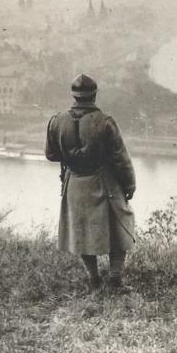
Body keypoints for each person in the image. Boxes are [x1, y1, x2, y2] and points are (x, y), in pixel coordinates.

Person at [45, 74, 137, 293]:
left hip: (74, 183)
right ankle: (115, 281)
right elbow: (121, 159)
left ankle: (94, 280)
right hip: (104, 183)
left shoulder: (57, 120)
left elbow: (51, 154)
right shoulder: (105, 122)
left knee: (82, 231)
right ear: (94, 95)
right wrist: (129, 185)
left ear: (74, 96)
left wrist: (73, 157)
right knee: (119, 228)